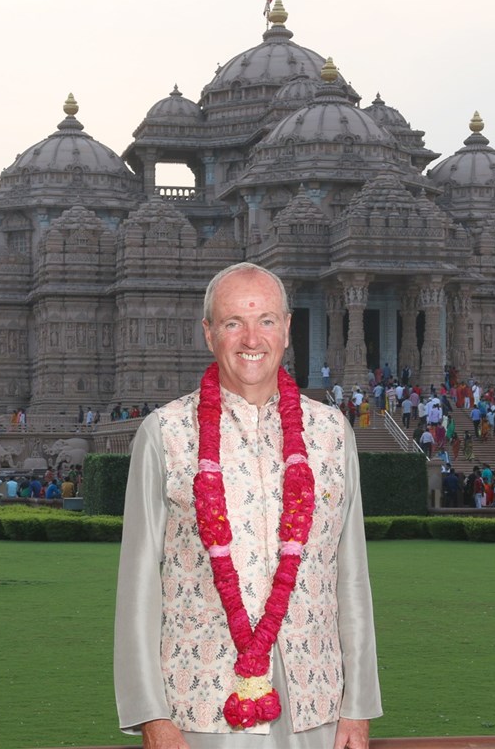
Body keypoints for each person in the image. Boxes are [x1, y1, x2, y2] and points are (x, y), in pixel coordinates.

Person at [114, 262, 381, 748]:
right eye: (233, 322)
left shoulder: (329, 432)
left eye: (266, 321)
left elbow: (351, 574)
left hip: (316, 700)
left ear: (286, 329)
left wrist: (358, 706)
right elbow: (138, 584)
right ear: (209, 333)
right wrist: (152, 714)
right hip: (199, 704)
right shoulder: (167, 433)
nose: (250, 338)